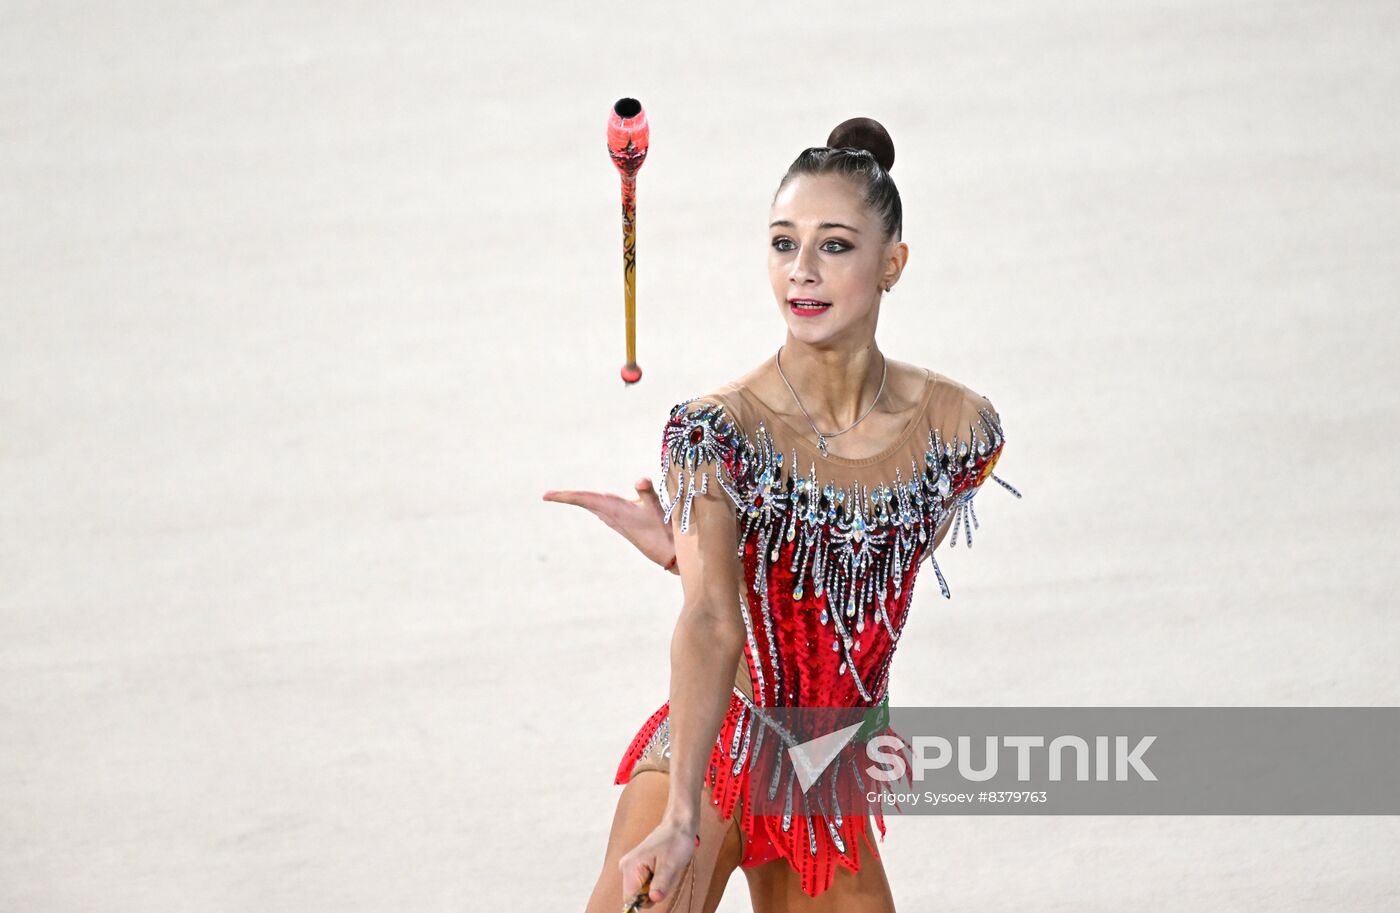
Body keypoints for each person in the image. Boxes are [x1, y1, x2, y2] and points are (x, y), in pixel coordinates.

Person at [544, 116, 1020, 912]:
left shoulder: (960, 429)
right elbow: (710, 624)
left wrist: (691, 552)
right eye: (781, 243)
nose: (802, 271)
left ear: (892, 262)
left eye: (834, 245)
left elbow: (868, 577)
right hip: (722, 747)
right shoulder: (715, 430)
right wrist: (683, 813)